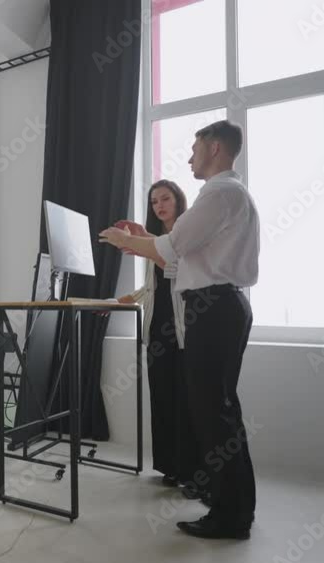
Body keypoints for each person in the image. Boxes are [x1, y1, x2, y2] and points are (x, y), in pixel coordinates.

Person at [100, 120, 259, 540]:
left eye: (195, 148)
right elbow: (175, 255)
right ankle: (232, 507)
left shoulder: (219, 194)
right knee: (219, 412)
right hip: (221, 307)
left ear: (216, 148)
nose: (190, 158)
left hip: (214, 309)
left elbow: (169, 250)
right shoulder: (229, 194)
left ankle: (230, 515)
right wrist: (140, 239)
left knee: (213, 414)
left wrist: (122, 239)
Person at [114, 180, 201, 498]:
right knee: (162, 400)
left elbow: (180, 270)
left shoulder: (184, 235)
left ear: (178, 201)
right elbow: (153, 286)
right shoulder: (153, 242)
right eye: (154, 202)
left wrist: (143, 242)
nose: (160, 206)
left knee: (187, 404)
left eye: (165, 199)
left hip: (183, 331)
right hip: (157, 330)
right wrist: (123, 300)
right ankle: (171, 467)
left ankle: (194, 473)